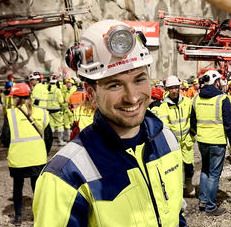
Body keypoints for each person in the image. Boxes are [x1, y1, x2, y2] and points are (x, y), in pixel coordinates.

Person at [33, 19, 186, 227]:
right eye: (114, 85)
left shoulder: (166, 139)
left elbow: (175, 216)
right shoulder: (65, 175)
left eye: (139, 79)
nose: (132, 97)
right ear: (91, 94)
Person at [1, 83, 52, 226]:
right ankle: (38, 217)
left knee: (18, 188)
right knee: (37, 188)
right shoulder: (42, 113)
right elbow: (48, 138)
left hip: (18, 159)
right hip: (38, 158)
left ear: (17, 97)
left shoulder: (10, 114)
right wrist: (43, 152)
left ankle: (18, 218)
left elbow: (5, 139)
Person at [190, 70, 231, 215]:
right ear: (216, 82)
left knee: (205, 169)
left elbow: (193, 122)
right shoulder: (222, 99)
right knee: (214, 174)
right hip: (217, 141)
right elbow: (229, 125)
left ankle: (203, 201)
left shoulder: (196, 98)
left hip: (202, 141)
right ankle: (211, 207)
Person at [155, 75, 195, 197]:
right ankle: (176, 191)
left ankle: (188, 186)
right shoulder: (163, 106)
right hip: (173, 144)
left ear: (179, 88)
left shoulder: (187, 102)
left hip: (187, 141)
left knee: (189, 166)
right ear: (167, 89)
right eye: (171, 88)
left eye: (176, 88)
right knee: (175, 168)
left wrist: (192, 133)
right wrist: (171, 140)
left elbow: (193, 119)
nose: (174, 90)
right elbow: (165, 126)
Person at [46, 74, 67, 145]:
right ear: (56, 82)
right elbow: (61, 101)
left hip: (48, 109)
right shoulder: (57, 90)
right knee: (60, 125)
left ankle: (50, 141)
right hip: (56, 109)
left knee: (51, 125)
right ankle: (60, 141)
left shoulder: (46, 89)